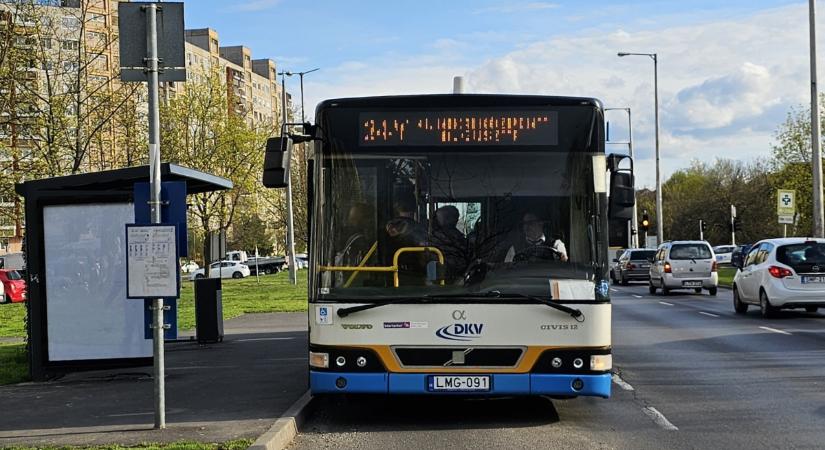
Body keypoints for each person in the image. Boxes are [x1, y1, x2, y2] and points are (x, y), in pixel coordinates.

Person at [503, 212, 568, 263]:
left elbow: (563, 263)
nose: (526, 226)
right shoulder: (514, 248)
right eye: (524, 223)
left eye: (530, 223)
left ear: (540, 223)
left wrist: (562, 257)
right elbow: (507, 270)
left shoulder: (556, 244)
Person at [432, 205, 468, 279]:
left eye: (438, 218)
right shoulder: (460, 238)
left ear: (445, 219)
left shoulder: (435, 237)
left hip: (438, 275)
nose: (435, 221)